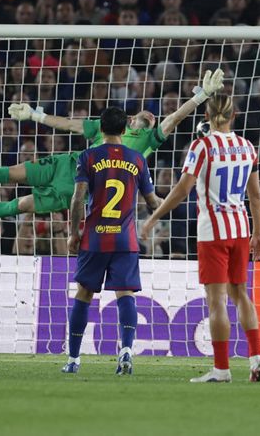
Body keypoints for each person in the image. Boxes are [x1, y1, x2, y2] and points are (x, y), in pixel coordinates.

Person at [0, 70, 224, 220]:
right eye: (143, 112)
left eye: (152, 114)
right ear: (130, 119)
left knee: (19, 206)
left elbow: (173, 118)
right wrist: (35, 115)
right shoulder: (109, 123)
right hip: (66, 164)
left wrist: (199, 98)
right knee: (3, 173)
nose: (150, 114)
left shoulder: (148, 141)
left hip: (81, 185)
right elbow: (68, 123)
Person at [140, 92, 260, 383]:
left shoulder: (202, 146)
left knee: (217, 301)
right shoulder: (248, 147)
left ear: (206, 116)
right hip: (240, 229)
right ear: (234, 115)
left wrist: (153, 217)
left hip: (213, 231)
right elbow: (256, 196)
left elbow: (182, 190)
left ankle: (222, 369)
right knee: (240, 294)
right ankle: (257, 359)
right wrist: (258, 234)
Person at [61, 106, 160, 376]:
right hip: (125, 240)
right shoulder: (137, 159)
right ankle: (126, 350)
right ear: (125, 128)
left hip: (94, 239)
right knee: (125, 294)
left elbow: (78, 198)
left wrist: (73, 233)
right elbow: (152, 202)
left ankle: (73, 359)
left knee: (84, 294)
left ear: (101, 129)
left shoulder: (89, 156)